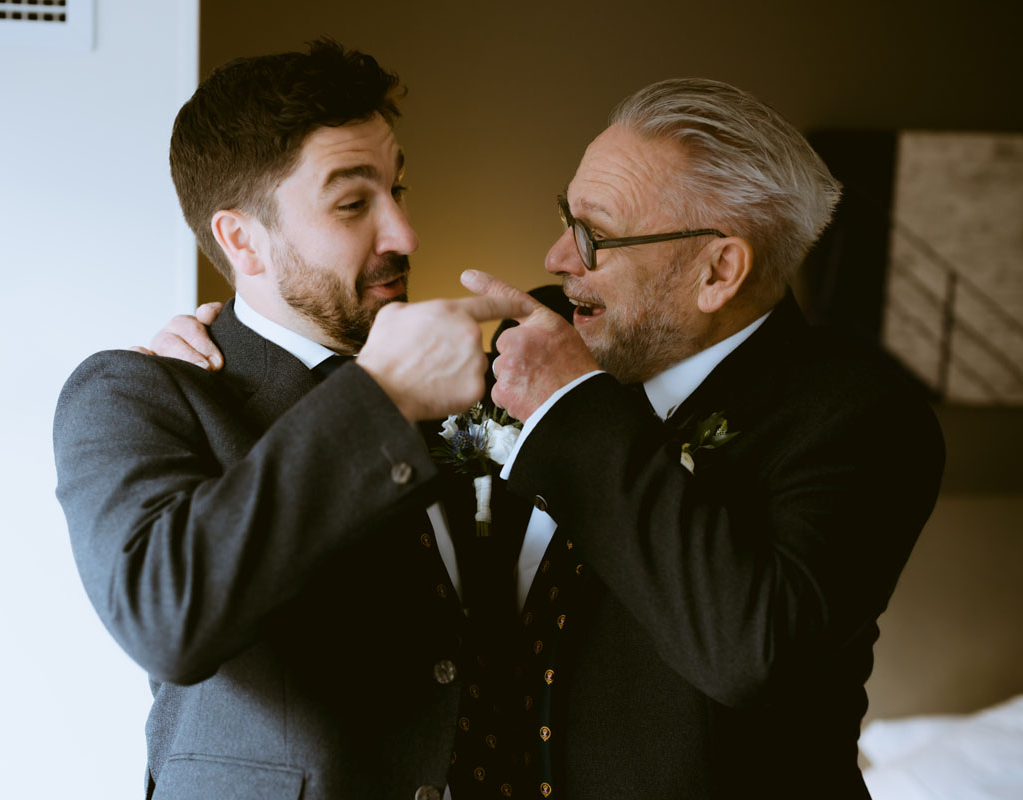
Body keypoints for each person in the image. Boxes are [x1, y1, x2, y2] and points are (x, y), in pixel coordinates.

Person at [152, 78, 945, 799]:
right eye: (565, 218)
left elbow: (754, 650)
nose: (557, 259)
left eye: (593, 236)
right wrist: (232, 349)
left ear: (720, 270)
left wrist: (576, 409)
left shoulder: (863, 418)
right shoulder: (532, 331)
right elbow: (359, 405)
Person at [53, 39, 531, 800]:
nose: (404, 234)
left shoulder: (453, 388)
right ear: (241, 239)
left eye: (398, 189)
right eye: (352, 203)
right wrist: (378, 399)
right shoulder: (137, 392)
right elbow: (165, 613)